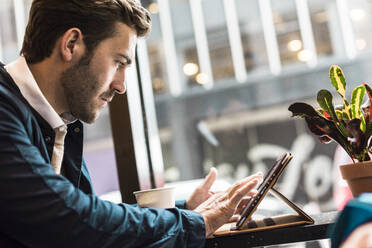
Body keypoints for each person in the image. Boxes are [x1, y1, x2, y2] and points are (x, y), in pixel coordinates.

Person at [0, 0, 263, 247]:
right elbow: (64, 216)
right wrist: (194, 223)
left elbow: (90, 221)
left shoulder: (60, 123)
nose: (121, 86)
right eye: (118, 63)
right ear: (71, 44)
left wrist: (185, 211)